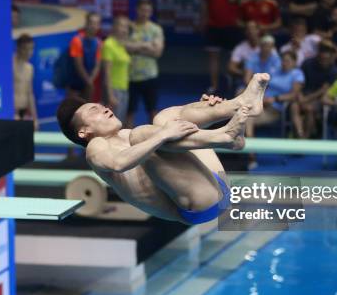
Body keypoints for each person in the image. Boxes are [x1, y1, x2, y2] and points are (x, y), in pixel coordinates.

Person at [56, 73, 270, 224]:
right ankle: (226, 136)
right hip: (201, 203)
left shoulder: (126, 134)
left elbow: (180, 138)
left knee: (164, 118)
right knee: (146, 133)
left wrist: (203, 109)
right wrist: (164, 134)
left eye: (102, 105)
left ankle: (241, 104)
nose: (105, 109)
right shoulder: (95, 147)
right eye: (95, 110)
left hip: (212, 179)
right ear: (84, 132)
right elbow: (119, 163)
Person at [245, 51, 305, 166]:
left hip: (275, 109)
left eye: (288, 61)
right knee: (244, 117)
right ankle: (245, 153)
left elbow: (294, 94)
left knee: (247, 119)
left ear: (294, 62)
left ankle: (251, 156)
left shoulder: (297, 73)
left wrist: (275, 99)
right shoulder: (275, 71)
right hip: (261, 104)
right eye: (283, 60)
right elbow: (263, 87)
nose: (284, 63)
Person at [202, 0, 240, 94]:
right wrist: (203, 20)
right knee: (213, 57)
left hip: (232, 25)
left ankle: (231, 83)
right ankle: (214, 86)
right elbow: (204, 3)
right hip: (213, 25)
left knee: (234, 57)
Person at [125, 0, 165, 127]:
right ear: (137, 10)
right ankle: (127, 143)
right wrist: (147, 45)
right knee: (129, 112)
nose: (145, 13)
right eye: (142, 10)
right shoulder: (129, 27)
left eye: (148, 10)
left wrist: (135, 47)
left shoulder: (156, 29)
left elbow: (157, 52)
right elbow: (125, 47)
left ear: (151, 11)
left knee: (152, 112)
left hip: (150, 76)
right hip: (131, 76)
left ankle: (154, 143)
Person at [299, 41, 337, 138]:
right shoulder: (307, 64)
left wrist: (306, 99)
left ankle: (305, 137)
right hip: (303, 95)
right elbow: (298, 82)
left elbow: (324, 90)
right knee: (294, 107)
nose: (324, 59)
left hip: (320, 98)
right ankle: (300, 135)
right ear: (318, 55)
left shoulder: (334, 71)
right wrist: (300, 97)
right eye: (321, 57)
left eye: (326, 58)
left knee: (309, 109)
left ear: (331, 57)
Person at [66, 12, 103, 101]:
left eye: (96, 23)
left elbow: (97, 65)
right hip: (74, 84)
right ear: (86, 24)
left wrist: (90, 81)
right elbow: (79, 65)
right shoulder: (77, 40)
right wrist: (89, 82)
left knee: (86, 112)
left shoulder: (99, 43)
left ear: (99, 26)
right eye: (91, 23)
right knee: (72, 111)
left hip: (88, 83)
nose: (94, 26)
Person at [102, 16, 132, 124]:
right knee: (112, 124)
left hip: (124, 88)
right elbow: (107, 72)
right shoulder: (109, 44)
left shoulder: (122, 45)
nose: (124, 29)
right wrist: (110, 95)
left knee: (120, 122)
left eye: (126, 27)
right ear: (114, 27)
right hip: (114, 90)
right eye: (121, 26)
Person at [227, 20, 261, 95]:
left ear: (258, 30)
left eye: (253, 28)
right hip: (245, 81)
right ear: (245, 32)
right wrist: (245, 73)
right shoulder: (240, 48)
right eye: (248, 29)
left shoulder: (266, 47)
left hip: (265, 81)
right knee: (239, 94)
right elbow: (231, 67)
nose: (251, 31)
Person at [13, 34, 38, 130]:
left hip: (23, 113)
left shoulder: (29, 68)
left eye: (31, 49)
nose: (29, 53)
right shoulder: (9, 66)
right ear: (18, 48)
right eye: (25, 49)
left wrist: (35, 119)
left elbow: (30, 94)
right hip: (11, 113)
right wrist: (13, 113)